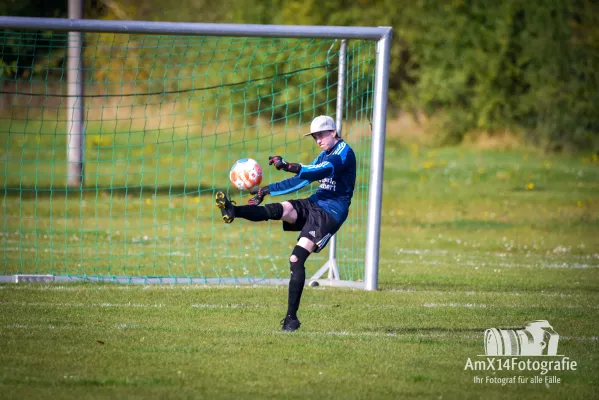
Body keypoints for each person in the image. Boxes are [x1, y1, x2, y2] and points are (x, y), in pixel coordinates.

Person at [215, 115, 356, 332]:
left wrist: (288, 165)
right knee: (281, 209)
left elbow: (320, 171)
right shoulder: (323, 154)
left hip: (330, 213)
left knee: (295, 259)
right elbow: (302, 179)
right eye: (315, 137)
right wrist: (266, 190)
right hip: (316, 202)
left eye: (321, 135)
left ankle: (291, 319)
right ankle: (233, 210)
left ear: (333, 132)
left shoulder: (344, 153)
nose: (318, 140)